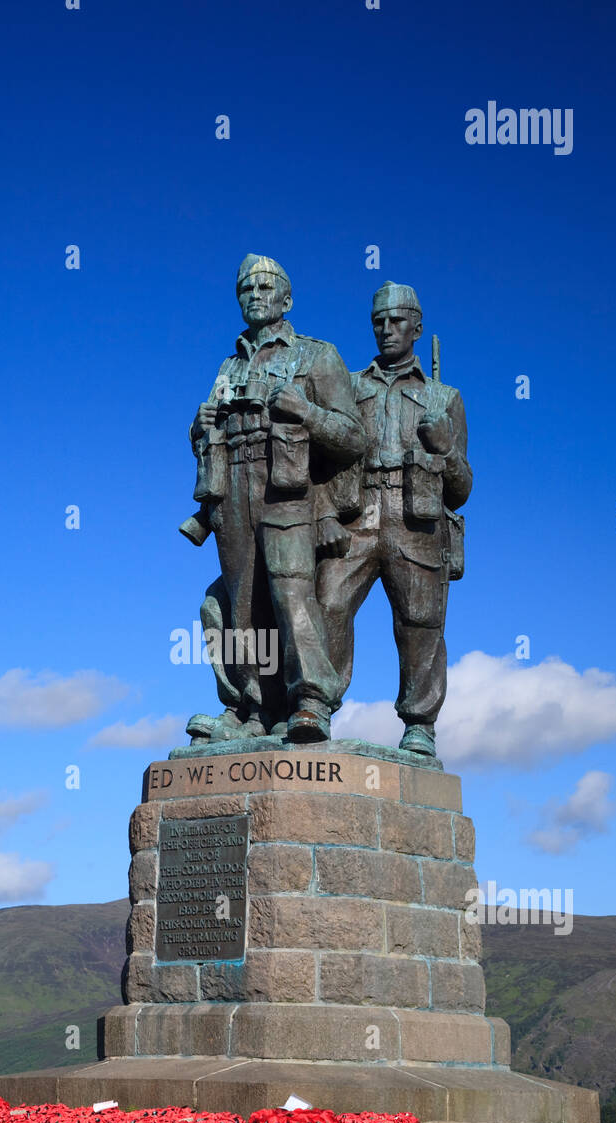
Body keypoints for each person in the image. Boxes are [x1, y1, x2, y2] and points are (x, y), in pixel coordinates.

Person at [181, 254, 365, 744]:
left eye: (264, 287)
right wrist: (198, 428)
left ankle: (309, 701)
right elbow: (208, 432)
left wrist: (304, 411)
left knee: (290, 591)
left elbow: (352, 437)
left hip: (287, 488)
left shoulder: (316, 355)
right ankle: (251, 709)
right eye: (245, 289)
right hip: (232, 489)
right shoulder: (229, 363)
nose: (254, 295)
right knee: (242, 604)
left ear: (287, 299)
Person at [316, 281, 472, 757]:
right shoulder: (350, 384)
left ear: (417, 328)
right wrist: (324, 512)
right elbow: (322, 457)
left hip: (416, 522)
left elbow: (462, 489)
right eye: (378, 321)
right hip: (356, 513)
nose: (386, 329)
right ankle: (316, 705)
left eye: (397, 321)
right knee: (328, 603)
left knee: (420, 623)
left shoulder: (445, 398)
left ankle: (420, 724)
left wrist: (445, 450)